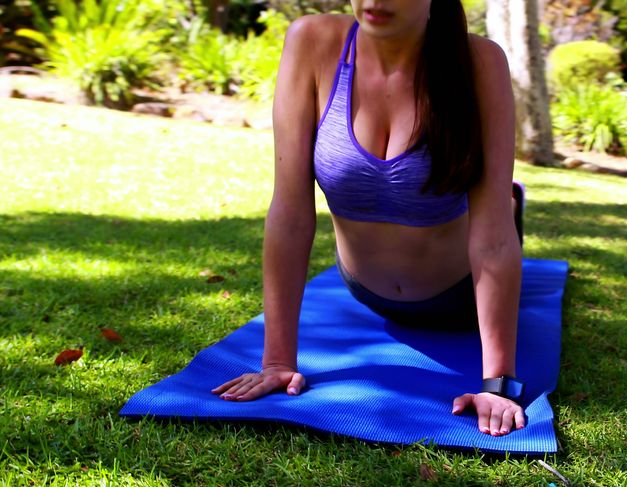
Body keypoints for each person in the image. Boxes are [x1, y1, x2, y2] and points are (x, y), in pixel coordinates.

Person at [210, 0, 526, 437]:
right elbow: (290, 210)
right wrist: (278, 362)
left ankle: (514, 201)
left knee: (501, 208)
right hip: (364, 288)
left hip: (458, 298)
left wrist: (498, 385)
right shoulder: (313, 42)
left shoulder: (478, 61)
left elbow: (492, 238)